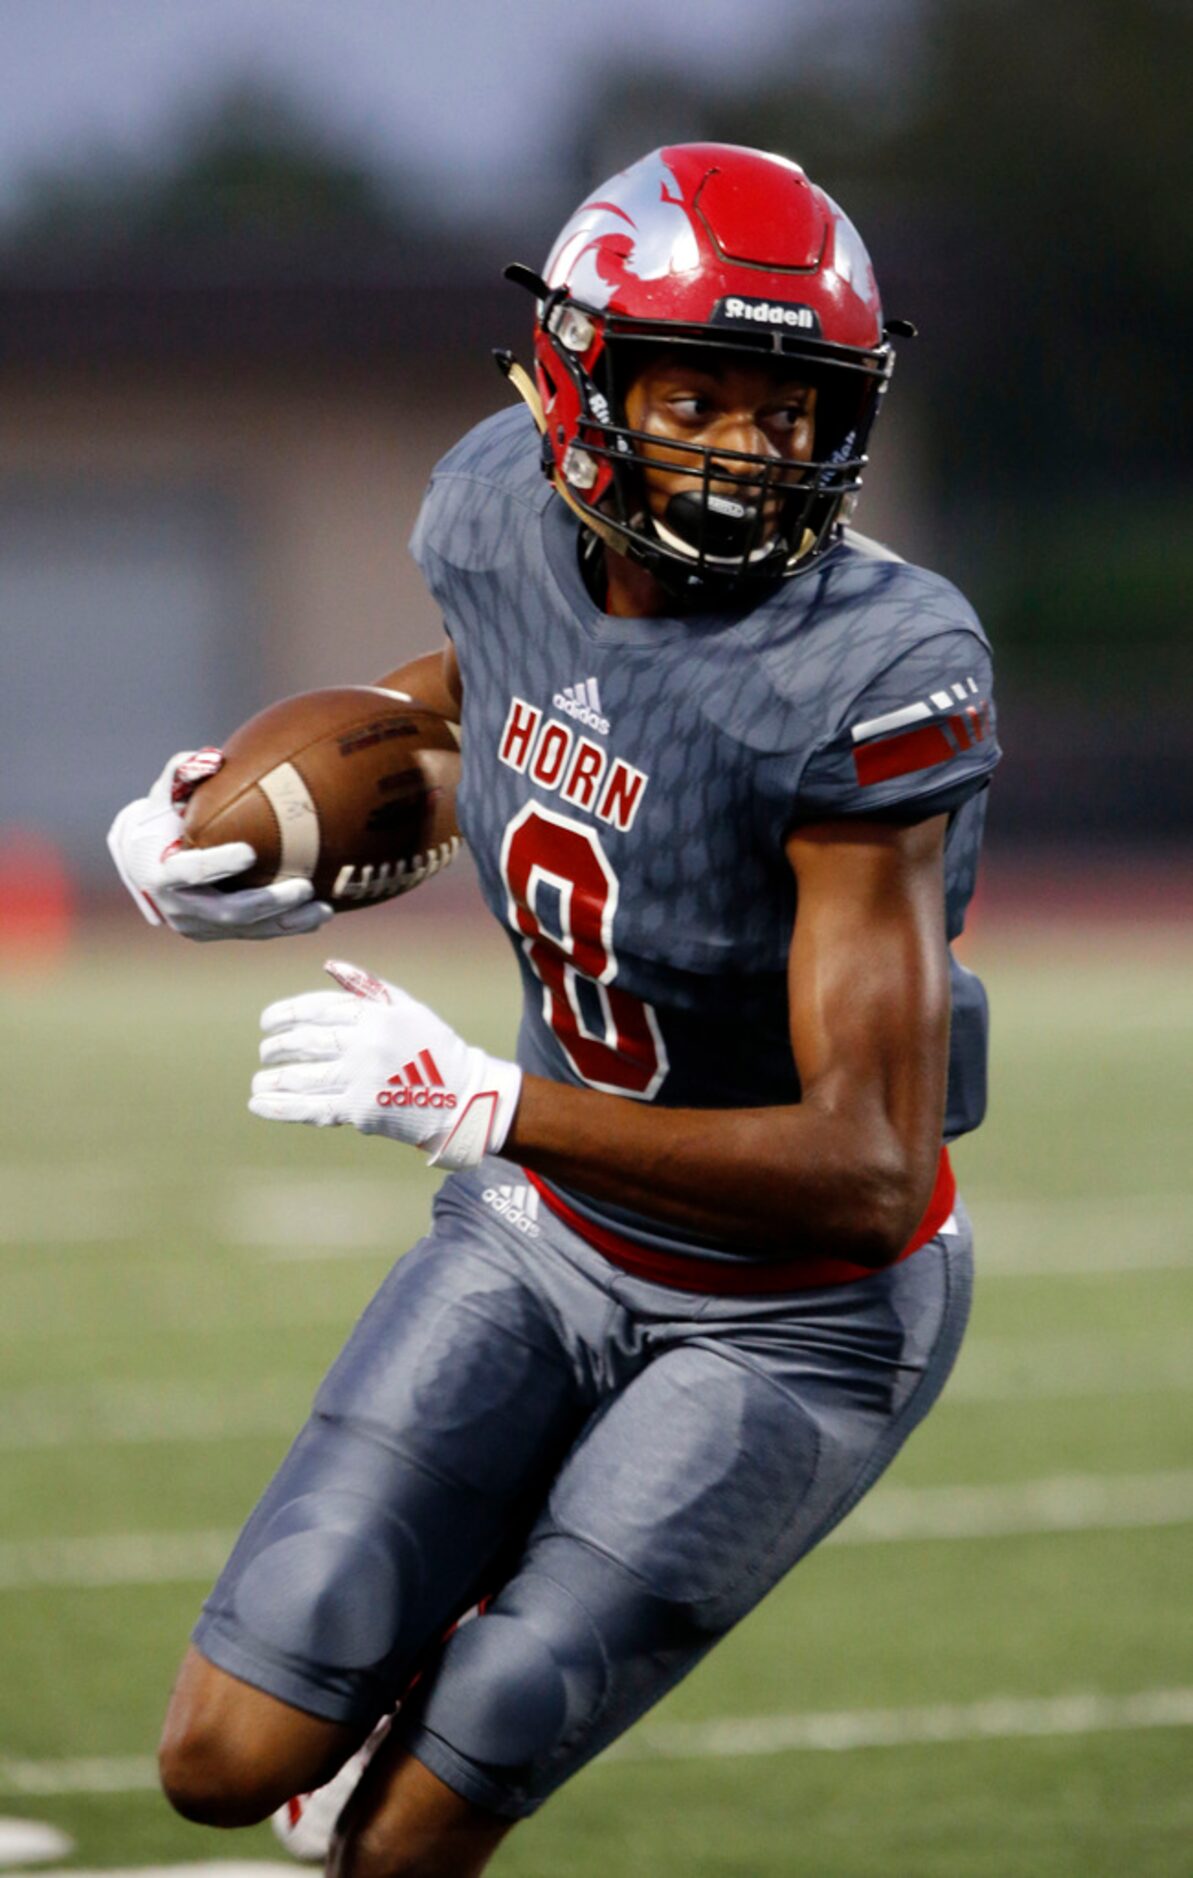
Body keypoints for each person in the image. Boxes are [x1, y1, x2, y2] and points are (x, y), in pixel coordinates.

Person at [108, 144, 1000, 1878]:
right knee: (222, 1760)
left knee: (412, 1826)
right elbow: (489, 687)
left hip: (790, 1316)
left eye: (789, 410)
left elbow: (871, 1169)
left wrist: (482, 1105)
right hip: (546, 1231)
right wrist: (255, 803)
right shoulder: (497, 507)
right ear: (580, 384)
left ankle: (462, 1666)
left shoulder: (873, 669)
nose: (749, 456)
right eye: (698, 397)